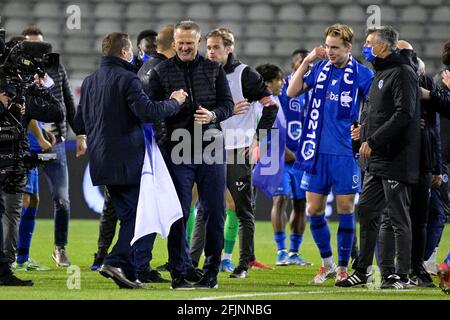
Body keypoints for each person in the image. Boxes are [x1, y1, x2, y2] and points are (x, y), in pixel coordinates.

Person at [73, 32, 187, 289]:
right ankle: (114, 260)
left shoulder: (90, 81)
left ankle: (129, 272)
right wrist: (174, 102)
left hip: (101, 160)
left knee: (129, 215)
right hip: (127, 160)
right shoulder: (128, 79)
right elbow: (148, 112)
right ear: (125, 52)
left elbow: (79, 122)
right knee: (138, 216)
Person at [148, 21, 234, 289]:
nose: (184, 47)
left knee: (215, 213)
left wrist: (213, 115)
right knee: (178, 214)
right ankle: (180, 272)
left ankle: (211, 272)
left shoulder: (214, 69)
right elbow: (153, 112)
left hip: (210, 147)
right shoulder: (160, 72)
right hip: (177, 151)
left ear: (197, 43)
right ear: (174, 43)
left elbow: (228, 105)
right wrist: (166, 140)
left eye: (189, 42)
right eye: (180, 42)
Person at [287, 24, 374, 284]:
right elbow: (291, 91)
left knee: (345, 208)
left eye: (335, 47)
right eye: (327, 46)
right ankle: (328, 265)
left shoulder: (362, 74)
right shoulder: (320, 68)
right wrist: (308, 61)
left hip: (345, 154)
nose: (330, 51)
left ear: (348, 47)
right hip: (315, 152)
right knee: (314, 210)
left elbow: (375, 107)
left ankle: (346, 267)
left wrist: (365, 130)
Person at [188, 28, 278, 278]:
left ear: (229, 48)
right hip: (210, 147)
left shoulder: (245, 75)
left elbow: (271, 107)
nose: (211, 52)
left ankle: (244, 263)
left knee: (241, 209)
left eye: (216, 47)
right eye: (208, 47)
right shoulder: (202, 73)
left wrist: (257, 140)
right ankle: (192, 262)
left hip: (238, 148)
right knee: (204, 208)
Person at [337, 26, 421, 289]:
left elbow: (404, 114)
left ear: (384, 47)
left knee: (398, 217)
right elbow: (381, 113)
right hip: (377, 160)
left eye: (370, 42)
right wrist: (364, 131)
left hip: (395, 158)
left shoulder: (403, 73)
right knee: (366, 210)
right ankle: (362, 270)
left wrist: (373, 139)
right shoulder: (381, 73)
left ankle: (402, 275)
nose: (366, 46)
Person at [22, 26, 86, 267]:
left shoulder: (56, 68)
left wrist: (80, 134)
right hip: (27, 143)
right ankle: (18, 255)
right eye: (31, 45)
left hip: (56, 142)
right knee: (23, 199)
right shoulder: (16, 71)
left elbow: (69, 102)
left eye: (40, 44)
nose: (37, 50)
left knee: (62, 199)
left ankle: (59, 249)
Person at [0, 73, 64, 285]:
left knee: (30, 200)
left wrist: (40, 134)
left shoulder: (21, 90)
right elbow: (53, 111)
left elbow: (31, 115)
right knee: (16, 206)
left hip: (23, 152)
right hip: (15, 153)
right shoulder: (12, 86)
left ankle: (21, 258)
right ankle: (9, 262)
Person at [266, 51, 313, 267]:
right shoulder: (282, 90)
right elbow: (268, 120)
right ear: (294, 65)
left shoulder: (314, 92)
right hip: (281, 157)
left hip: (304, 159)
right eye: (302, 63)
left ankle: (294, 252)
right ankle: (281, 250)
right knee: (280, 199)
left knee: (301, 204)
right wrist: (280, 148)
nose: (307, 68)